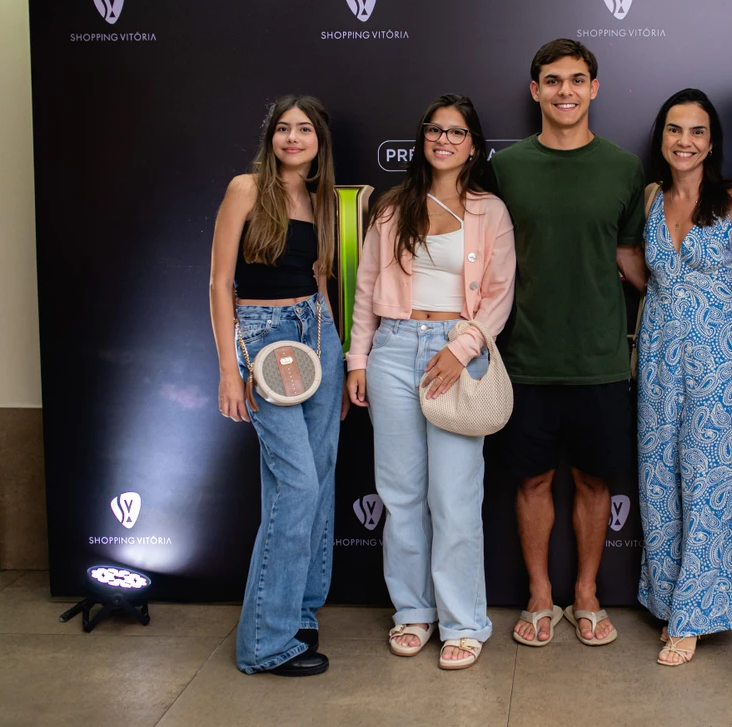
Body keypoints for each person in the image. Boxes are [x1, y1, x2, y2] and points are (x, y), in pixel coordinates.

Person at [346, 94, 514, 671]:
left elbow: (497, 296)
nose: (444, 139)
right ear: (424, 138)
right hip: (392, 352)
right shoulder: (392, 207)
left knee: (456, 498)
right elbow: (367, 288)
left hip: (455, 356)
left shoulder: (490, 210)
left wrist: (458, 349)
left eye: (457, 131)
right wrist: (357, 360)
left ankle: (464, 623)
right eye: (435, 129)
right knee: (401, 496)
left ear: (473, 145)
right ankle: (413, 614)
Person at [491, 38, 647, 649]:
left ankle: (585, 594)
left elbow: (632, 259)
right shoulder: (505, 168)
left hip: (601, 362)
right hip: (524, 358)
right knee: (529, 483)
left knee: (592, 483)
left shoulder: (623, 167)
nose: (565, 91)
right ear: (535, 91)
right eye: (552, 81)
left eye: (576, 80)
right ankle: (538, 595)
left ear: (594, 89)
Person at [209, 95, 347, 677]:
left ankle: (299, 615)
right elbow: (220, 284)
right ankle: (264, 644)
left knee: (319, 480)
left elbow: (320, 281)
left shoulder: (322, 201)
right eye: (284, 129)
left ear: (319, 141)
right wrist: (228, 369)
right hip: (264, 340)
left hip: (318, 334)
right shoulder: (246, 189)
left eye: (305, 129)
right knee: (296, 486)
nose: (294, 138)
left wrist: (338, 368)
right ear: (271, 138)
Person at [636, 88, 732, 666]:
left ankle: (694, 616)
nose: (685, 141)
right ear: (662, 138)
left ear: (712, 141)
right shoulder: (651, 199)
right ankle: (666, 600)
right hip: (659, 357)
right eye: (675, 130)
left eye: (697, 132)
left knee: (712, 487)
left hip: (720, 362)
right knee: (660, 480)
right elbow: (641, 270)